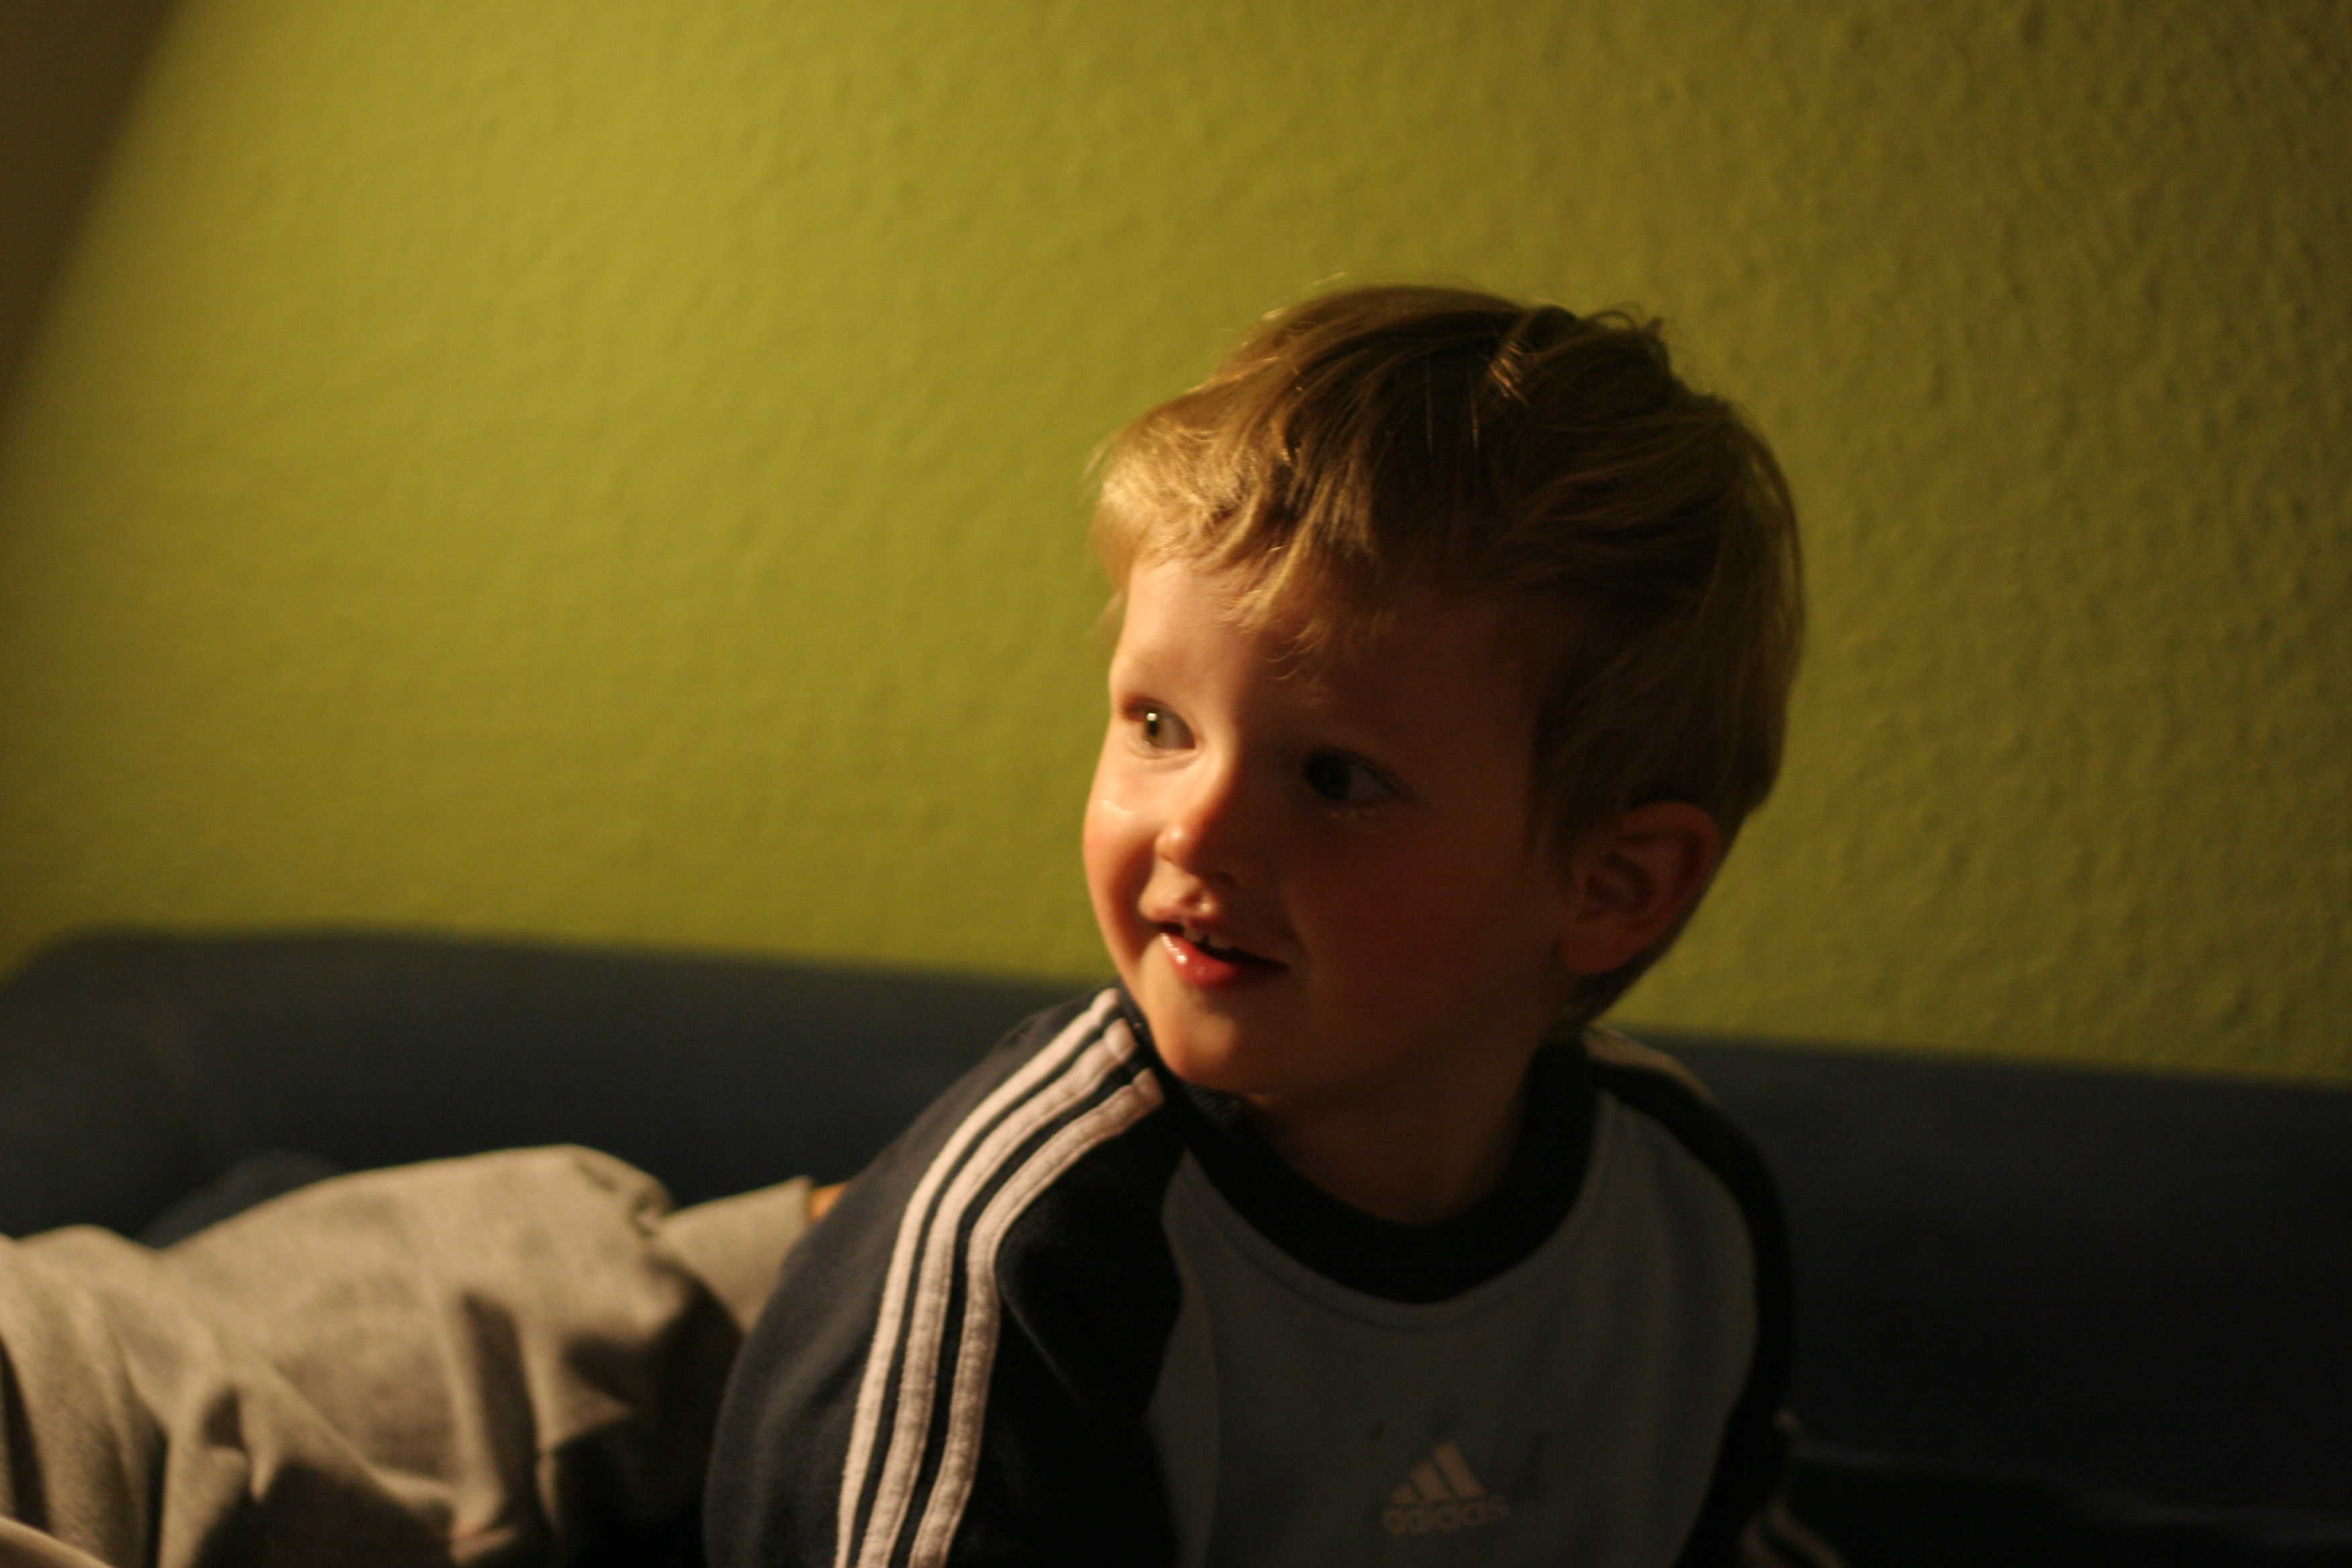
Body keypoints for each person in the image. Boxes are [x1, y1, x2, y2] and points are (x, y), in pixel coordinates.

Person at [705, 283, 1813, 1567]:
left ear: (1614, 885)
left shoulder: (1684, 1209)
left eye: (1337, 779)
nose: (1196, 833)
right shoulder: (1027, 1249)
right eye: (1159, 726)